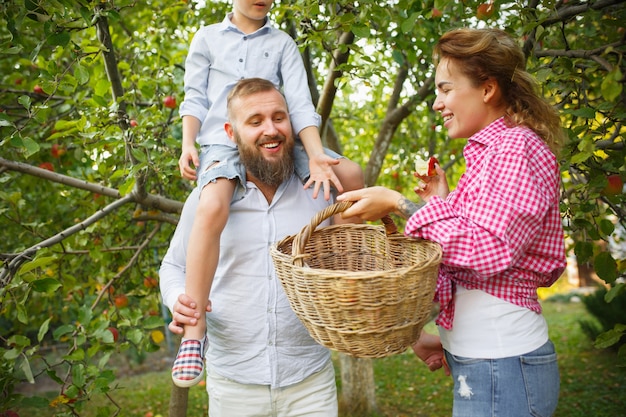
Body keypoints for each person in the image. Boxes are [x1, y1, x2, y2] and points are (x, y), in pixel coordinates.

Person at [337, 28, 567, 417]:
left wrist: (398, 204)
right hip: (488, 362)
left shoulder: (515, 148)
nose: (436, 104)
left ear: (487, 89)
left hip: (502, 364)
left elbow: (490, 249)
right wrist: (440, 203)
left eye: (445, 90)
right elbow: (463, 253)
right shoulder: (489, 154)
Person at [174, 0, 363, 387]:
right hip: (223, 146)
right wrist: (188, 142)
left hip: (278, 139)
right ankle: (195, 333)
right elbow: (194, 96)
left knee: (352, 173)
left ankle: (340, 276)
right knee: (211, 205)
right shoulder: (207, 38)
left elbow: (298, 103)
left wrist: (315, 156)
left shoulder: (282, 43)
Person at [160, 78, 341, 415]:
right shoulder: (207, 199)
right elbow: (173, 266)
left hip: (310, 382)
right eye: (255, 121)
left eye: (279, 117)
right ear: (231, 133)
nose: (270, 130)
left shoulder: (322, 191)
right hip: (235, 387)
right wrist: (177, 299)